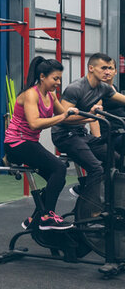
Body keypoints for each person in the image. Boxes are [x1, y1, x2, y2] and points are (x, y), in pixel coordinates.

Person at [3, 57, 77, 230]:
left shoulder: (50, 95)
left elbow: (67, 116)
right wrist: (63, 116)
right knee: (59, 168)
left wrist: (90, 113)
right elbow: (34, 123)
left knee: (56, 180)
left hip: (29, 143)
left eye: (59, 79)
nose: (58, 83)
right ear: (42, 76)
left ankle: (35, 218)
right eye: (55, 78)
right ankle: (46, 217)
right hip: (17, 144)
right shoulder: (30, 94)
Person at [52, 53, 125, 208]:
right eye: (103, 68)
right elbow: (63, 118)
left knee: (115, 159)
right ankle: (89, 206)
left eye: (109, 68)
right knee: (96, 169)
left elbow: (122, 99)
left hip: (81, 134)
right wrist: (90, 117)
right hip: (64, 135)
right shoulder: (76, 88)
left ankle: (97, 195)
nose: (107, 71)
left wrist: (89, 118)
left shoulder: (103, 88)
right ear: (91, 68)